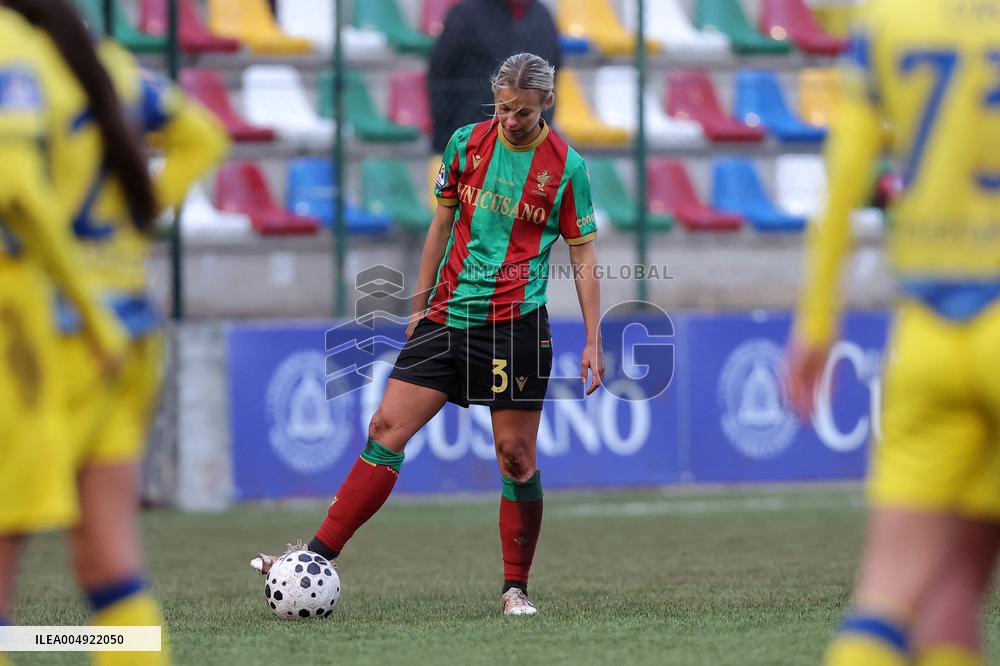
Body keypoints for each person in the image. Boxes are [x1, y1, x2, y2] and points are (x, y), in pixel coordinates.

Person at [254, 52, 604, 616]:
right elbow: (440, 225)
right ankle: (311, 559)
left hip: (514, 329)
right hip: (445, 317)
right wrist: (419, 306)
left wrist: (592, 339)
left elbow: (583, 256)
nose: (510, 120)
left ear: (547, 103)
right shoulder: (466, 144)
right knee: (384, 427)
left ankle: (515, 588)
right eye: (503, 108)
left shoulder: (567, 168)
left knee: (515, 457)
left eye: (522, 111)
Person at [0, 1, 228, 663]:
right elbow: (204, 135)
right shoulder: (109, 63)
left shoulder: (13, 52)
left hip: (51, 336)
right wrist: (137, 218)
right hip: (131, 330)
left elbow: (17, 189)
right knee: (110, 566)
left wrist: (80, 288)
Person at [786, 1, 1000, 665]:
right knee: (959, 574)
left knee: (898, 594)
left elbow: (845, 176)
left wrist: (817, 320)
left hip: (928, 331)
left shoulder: (886, 19)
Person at [427, 0, 561, 153]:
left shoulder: (541, 15)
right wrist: (447, 140)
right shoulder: (466, 14)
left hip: (528, 142)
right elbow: (441, 77)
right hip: (474, 138)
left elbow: (553, 71)